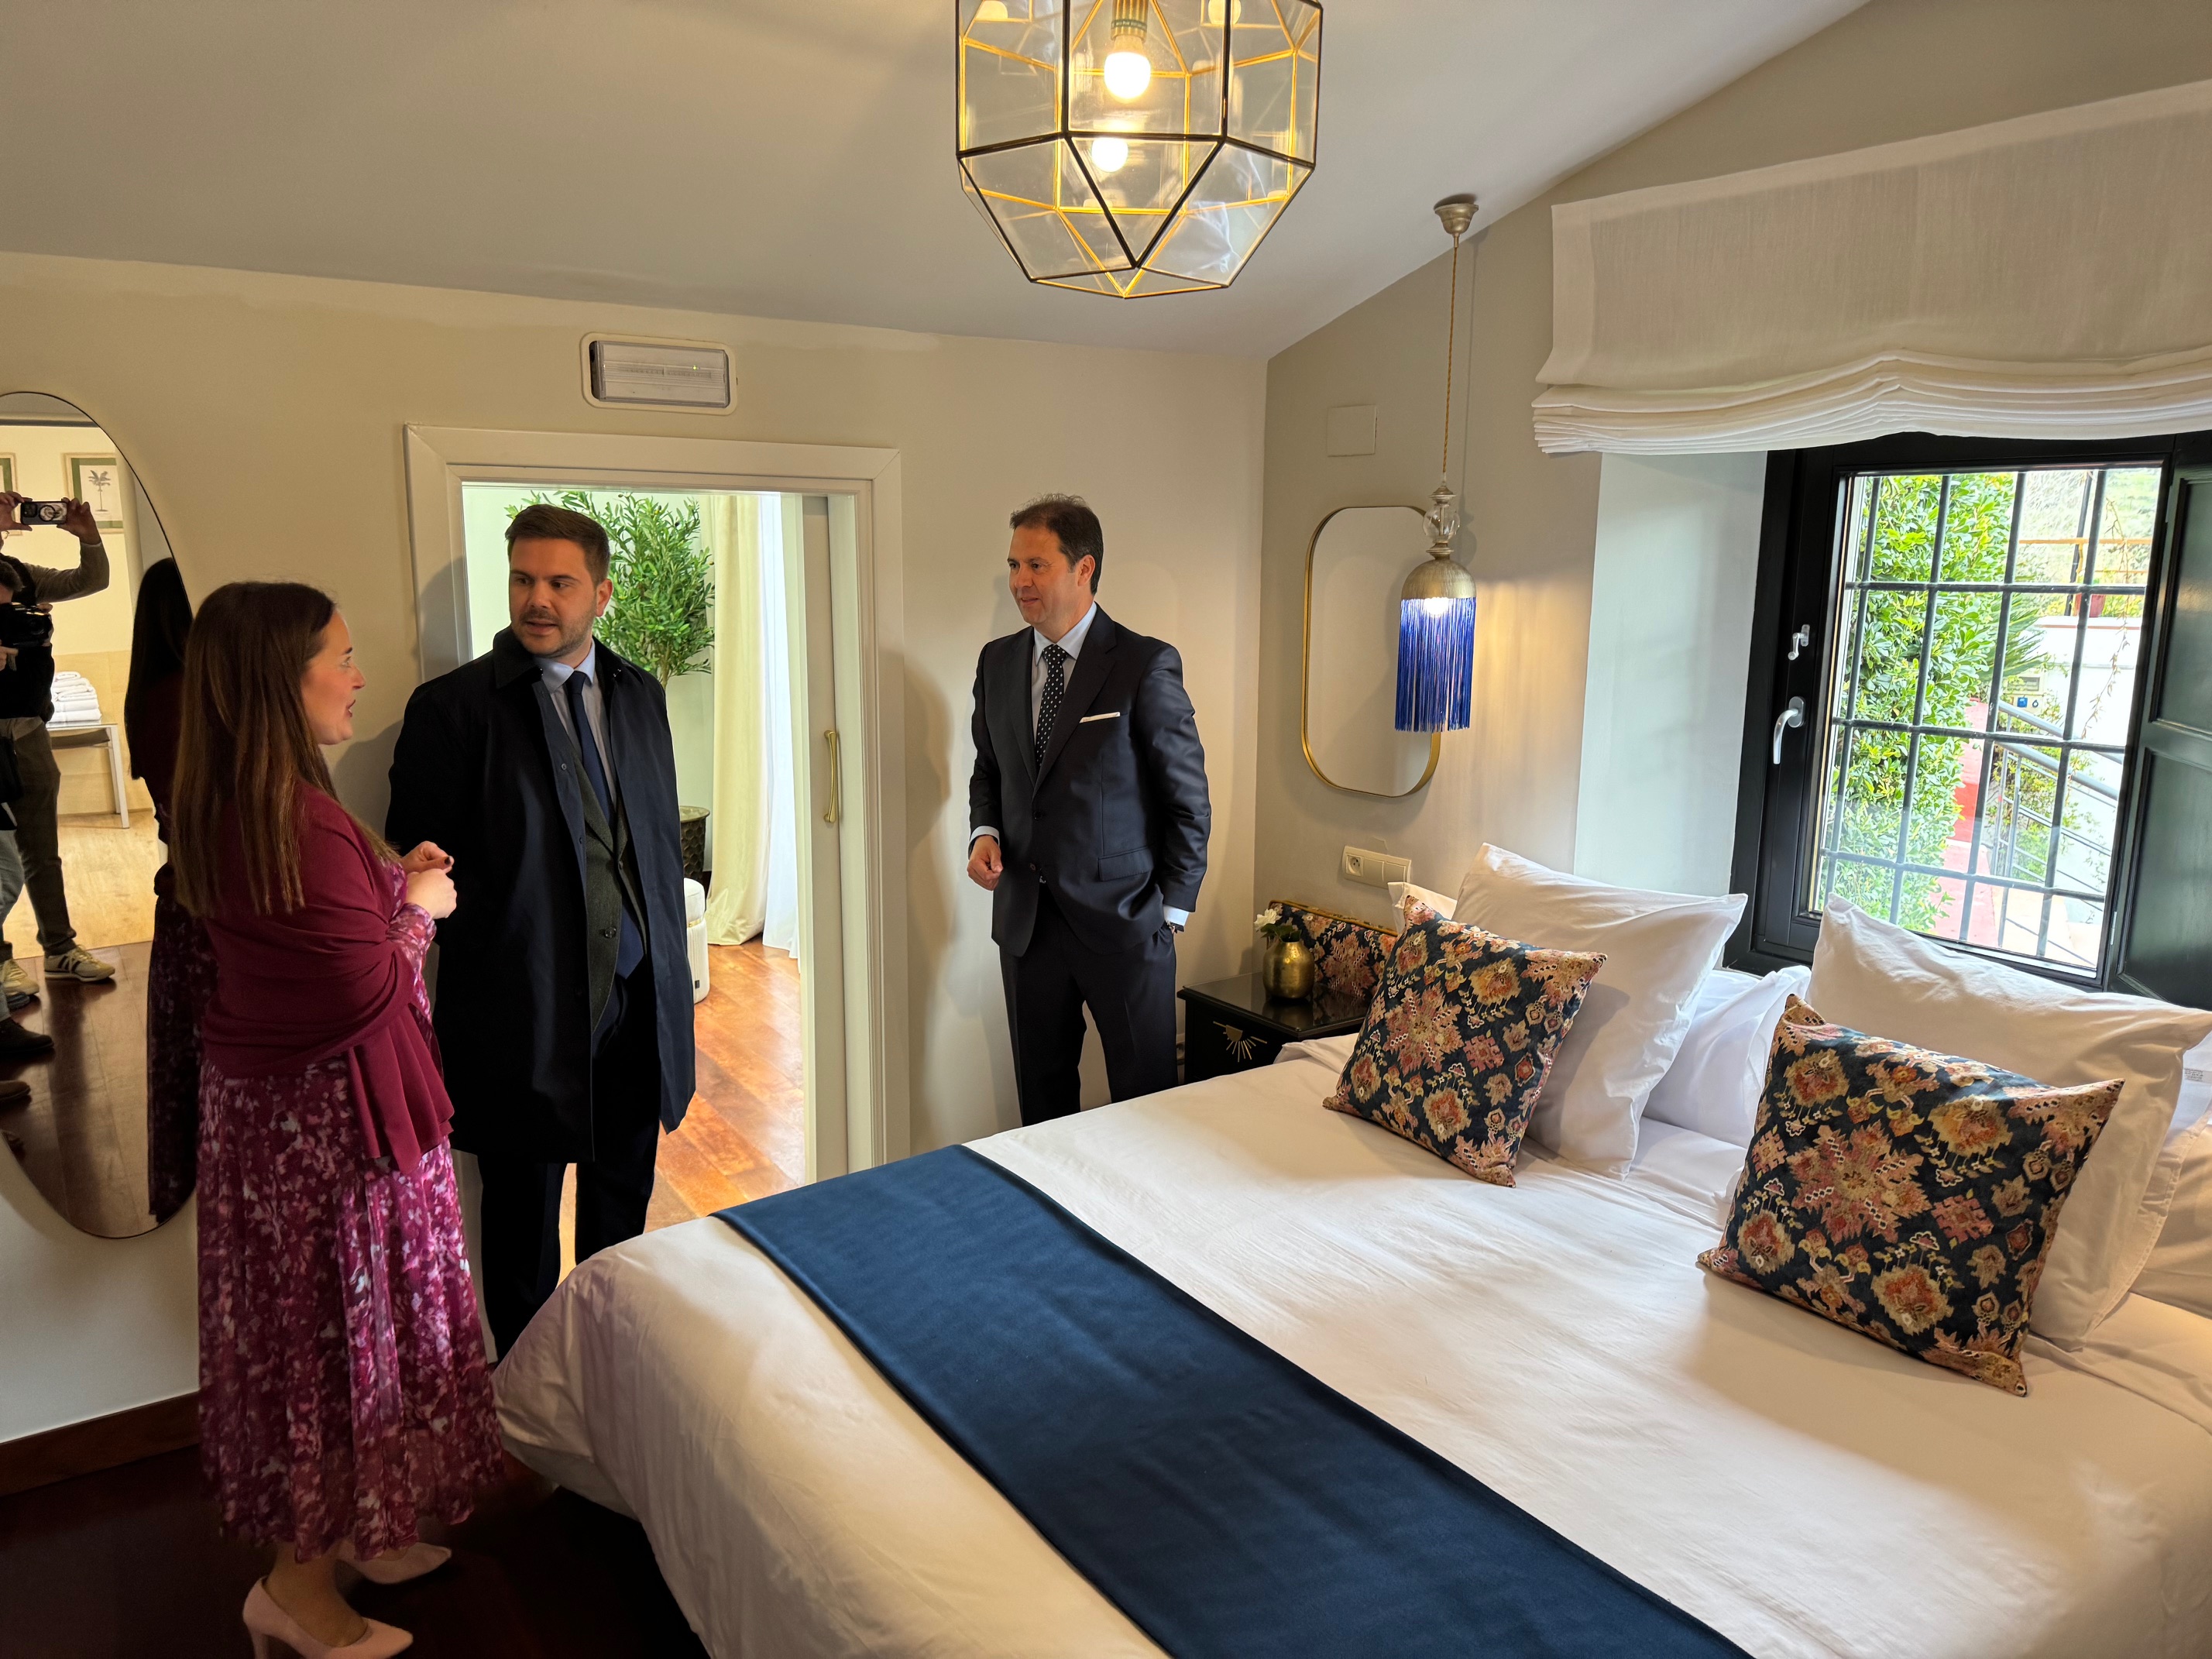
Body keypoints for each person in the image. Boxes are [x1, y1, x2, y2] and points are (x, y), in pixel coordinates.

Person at [173, 581, 500, 1658]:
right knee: (332, 1350)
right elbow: (357, 988)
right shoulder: (293, 817)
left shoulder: (238, 799)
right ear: (283, 677)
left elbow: (311, 948)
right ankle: (296, 1592)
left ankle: (364, 1529)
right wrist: (423, 912)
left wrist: (392, 887)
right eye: (342, 657)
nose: (360, 677)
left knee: (348, 1342)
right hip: (328, 1139)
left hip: (290, 1128)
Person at [386, 502, 695, 1356]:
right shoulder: (452, 710)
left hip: (637, 1006)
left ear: (602, 594)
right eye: (524, 579)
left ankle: (609, 1370)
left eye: (560, 582)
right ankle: (527, 1399)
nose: (538, 600)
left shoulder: (641, 697)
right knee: (522, 1228)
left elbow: (651, 846)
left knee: (621, 1214)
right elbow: (415, 871)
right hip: (523, 1017)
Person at [967, 494, 1211, 1125]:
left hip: (1126, 924)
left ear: (1084, 569)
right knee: (1041, 1109)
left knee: (1147, 1105)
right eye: (1014, 565)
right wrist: (984, 831)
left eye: (1037, 565)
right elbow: (990, 769)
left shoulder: (1143, 664)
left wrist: (1170, 913)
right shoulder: (997, 662)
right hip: (1027, 925)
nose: (1020, 581)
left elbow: (1187, 798)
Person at [0, 491, 118, 990]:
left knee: (42, 849)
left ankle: (60, 948)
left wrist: (88, 538)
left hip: (27, 728)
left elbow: (90, 581)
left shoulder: (21, 575)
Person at [124, 558, 208, 1221]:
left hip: (186, 898)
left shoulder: (154, 693)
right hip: (204, 904)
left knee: (187, 1067)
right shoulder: (183, 698)